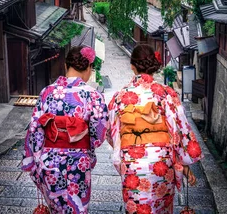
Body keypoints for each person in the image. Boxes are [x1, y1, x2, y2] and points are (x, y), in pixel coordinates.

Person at [107, 44, 202, 214]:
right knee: (161, 207)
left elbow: (109, 131)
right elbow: (181, 129)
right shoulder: (166, 93)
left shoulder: (120, 96)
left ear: (132, 66)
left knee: (137, 208)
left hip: (132, 162)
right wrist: (185, 164)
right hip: (161, 160)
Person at [23, 46, 108, 213]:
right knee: (77, 208)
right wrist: (83, 144)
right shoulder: (93, 95)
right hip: (79, 162)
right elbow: (99, 133)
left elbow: (35, 130)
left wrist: (35, 160)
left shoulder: (47, 92)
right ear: (89, 68)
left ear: (65, 65)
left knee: (56, 209)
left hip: (50, 162)